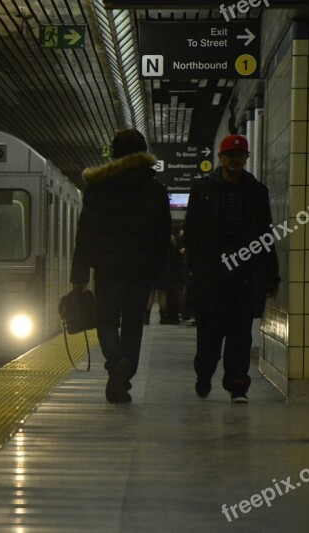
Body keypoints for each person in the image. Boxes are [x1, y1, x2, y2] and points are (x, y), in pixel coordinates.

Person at [70, 129, 171, 403]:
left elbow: (86, 235)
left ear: (114, 154)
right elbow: (163, 237)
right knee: (133, 325)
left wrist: (79, 276)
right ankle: (123, 377)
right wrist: (158, 271)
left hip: (108, 269)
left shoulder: (99, 188)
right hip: (141, 271)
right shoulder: (157, 190)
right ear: (144, 154)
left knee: (106, 321)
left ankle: (116, 363)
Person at [184, 134, 279, 403]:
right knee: (209, 339)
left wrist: (271, 276)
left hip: (245, 277)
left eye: (240, 156)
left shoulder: (257, 192)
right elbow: (191, 232)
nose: (235, 160)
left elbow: (266, 235)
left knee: (240, 335)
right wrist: (196, 264)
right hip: (212, 277)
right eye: (230, 155)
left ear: (246, 158)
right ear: (221, 157)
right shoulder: (202, 189)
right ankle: (204, 374)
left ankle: (238, 384)